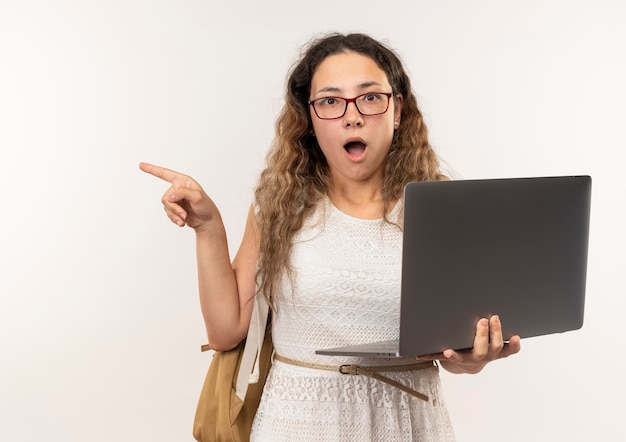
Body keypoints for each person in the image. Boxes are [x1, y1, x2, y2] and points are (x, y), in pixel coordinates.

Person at [140, 32, 521, 441]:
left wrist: (473, 357)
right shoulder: (280, 203)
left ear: (398, 111)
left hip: (407, 422)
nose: (352, 116)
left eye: (370, 97)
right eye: (330, 101)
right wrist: (207, 228)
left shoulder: (442, 208)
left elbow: (455, 353)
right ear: (310, 119)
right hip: (297, 421)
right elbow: (226, 330)